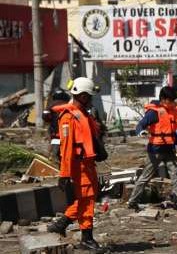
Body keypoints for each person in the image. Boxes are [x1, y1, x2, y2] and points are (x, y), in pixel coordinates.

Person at [47, 77, 103, 251]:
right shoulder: (68, 117)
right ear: (83, 96)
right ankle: (86, 237)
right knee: (86, 200)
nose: (91, 99)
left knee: (90, 197)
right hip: (78, 166)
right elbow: (67, 149)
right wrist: (64, 174)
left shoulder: (84, 114)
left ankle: (62, 223)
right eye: (90, 96)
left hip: (88, 163)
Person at [127, 86, 177, 211]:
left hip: (169, 149)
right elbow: (141, 124)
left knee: (176, 175)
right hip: (155, 150)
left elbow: (173, 132)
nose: (173, 103)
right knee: (145, 177)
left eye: (174, 100)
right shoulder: (154, 112)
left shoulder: (172, 111)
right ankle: (132, 201)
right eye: (170, 100)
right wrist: (140, 131)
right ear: (163, 99)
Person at [42, 88, 71, 166]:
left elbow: (45, 116)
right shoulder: (69, 105)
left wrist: (50, 120)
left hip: (55, 132)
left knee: (53, 154)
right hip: (68, 132)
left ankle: (52, 160)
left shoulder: (50, 105)